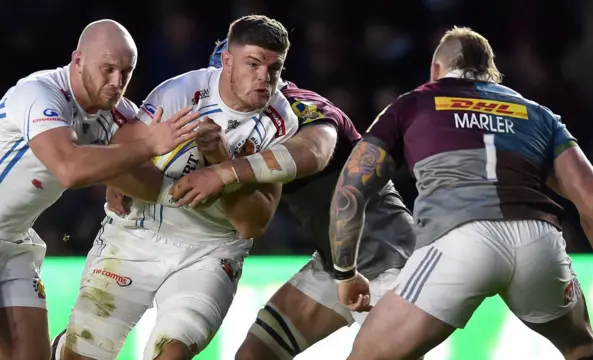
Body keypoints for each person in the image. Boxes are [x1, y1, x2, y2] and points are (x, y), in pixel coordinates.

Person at [329, 26, 593, 360]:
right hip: (537, 241)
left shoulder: (413, 104)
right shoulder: (538, 114)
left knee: (370, 354)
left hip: (458, 239)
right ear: (493, 74)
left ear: (436, 71)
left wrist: (346, 272)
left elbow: (350, 190)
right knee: (581, 345)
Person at [52, 15, 299, 360]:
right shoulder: (183, 92)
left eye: (274, 69)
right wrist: (118, 174)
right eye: (253, 64)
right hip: (140, 233)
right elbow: (122, 148)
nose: (264, 78)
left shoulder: (281, 122)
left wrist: (220, 160)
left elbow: (252, 223)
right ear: (227, 60)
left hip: (211, 250)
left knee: (174, 352)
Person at [164, 39, 415, 359]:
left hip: (391, 261)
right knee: (255, 355)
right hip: (337, 264)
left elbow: (315, 152)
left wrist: (225, 172)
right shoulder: (242, 129)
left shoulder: (298, 106)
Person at [0, 19, 197, 360]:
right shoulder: (38, 93)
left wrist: (118, 174)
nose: (116, 83)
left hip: (13, 239)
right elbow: (70, 168)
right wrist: (145, 146)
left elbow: (150, 186)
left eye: (126, 72)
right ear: (77, 61)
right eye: (107, 69)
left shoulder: (117, 114)